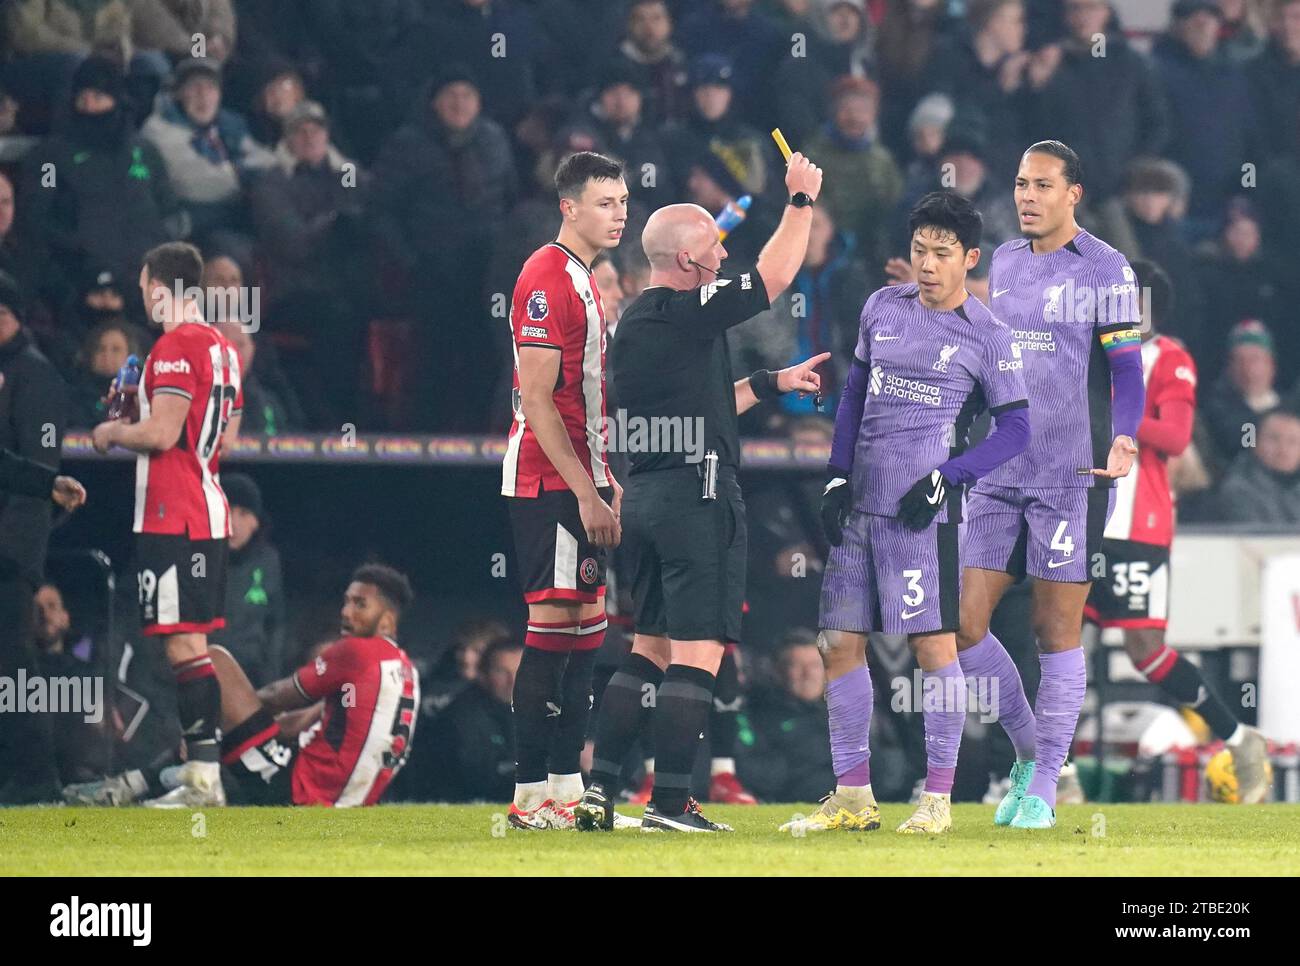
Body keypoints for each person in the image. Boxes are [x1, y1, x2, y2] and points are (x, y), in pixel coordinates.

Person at [576, 151, 826, 833]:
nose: (723, 252)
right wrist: (799, 201)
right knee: (699, 654)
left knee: (649, 649)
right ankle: (670, 805)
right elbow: (774, 276)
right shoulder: (686, 313)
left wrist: (773, 382)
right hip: (698, 498)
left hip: (649, 497)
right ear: (688, 262)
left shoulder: (638, 326)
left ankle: (597, 794)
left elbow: (710, 407)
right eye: (714, 245)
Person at [785, 190, 1030, 836]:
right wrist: (837, 475)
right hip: (860, 505)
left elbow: (1016, 431)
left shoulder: (988, 335)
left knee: (934, 648)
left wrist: (949, 478)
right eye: (919, 250)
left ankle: (938, 799)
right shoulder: (880, 308)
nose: (926, 264)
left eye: (942, 254)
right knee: (838, 643)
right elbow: (854, 395)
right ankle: (853, 796)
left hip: (924, 516)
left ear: (968, 258)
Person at [956, 141, 1146, 830]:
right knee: (962, 623)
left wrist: (1126, 434)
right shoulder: (1004, 262)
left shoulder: (1107, 268)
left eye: (1042, 185)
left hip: (1075, 473)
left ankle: (1041, 787)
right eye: (1019, 184)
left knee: (1053, 628)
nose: (1026, 196)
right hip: (1003, 468)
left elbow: (1126, 369)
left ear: (1074, 194)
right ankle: (1035, 755)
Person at [1083, 259, 1273, 804]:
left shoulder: (1170, 358)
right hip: (1083, 514)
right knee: (1057, 636)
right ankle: (1055, 774)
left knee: (1145, 652)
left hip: (1138, 524)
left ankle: (1240, 740)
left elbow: (1175, 435)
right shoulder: (1087, 355)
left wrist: (1116, 409)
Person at [90, 242, 243, 807]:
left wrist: (113, 431)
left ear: (158, 286)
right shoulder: (222, 348)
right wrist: (146, 415)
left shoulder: (176, 345)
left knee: (184, 649)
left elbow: (161, 435)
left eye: (143, 288)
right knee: (193, 644)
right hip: (206, 509)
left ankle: (204, 778)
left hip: (173, 514)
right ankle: (201, 772)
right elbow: (225, 432)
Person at [65, 564, 419, 808]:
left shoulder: (358, 652)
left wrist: (217, 715)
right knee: (207, 738)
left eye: (360, 604)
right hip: (344, 800)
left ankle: (148, 785)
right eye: (346, 601)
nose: (346, 611)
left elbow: (281, 696)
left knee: (213, 664)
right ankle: (161, 782)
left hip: (297, 793)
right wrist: (212, 738)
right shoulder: (404, 671)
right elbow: (302, 721)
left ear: (386, 620)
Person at [501, 151, 627, 830]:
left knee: (585, 631)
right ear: (568, 207)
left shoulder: (581, 278)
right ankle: (527, 797)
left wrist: (605, 482)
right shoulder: (546, 276)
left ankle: (564, 787)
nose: (619, 214)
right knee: (552, 628)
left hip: (581, 479)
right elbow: (540, 401)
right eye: (604, 202)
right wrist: (584, 491)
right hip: (547, 479)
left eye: (624, 202)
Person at [0, 270, 74, 803]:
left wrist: (21, 556)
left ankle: (35, 779)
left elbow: (24, 467)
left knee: (10, 664)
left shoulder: (34, 376)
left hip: (7, 552)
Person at [208, 473, 285, 688]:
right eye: (228, 511)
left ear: (255, 522)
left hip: (250, 681)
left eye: (243, 513)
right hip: (200, 678)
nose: (233, 522)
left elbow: (276, 625)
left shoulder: (269, 561)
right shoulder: (194, 558)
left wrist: (271, 685)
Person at [1214, 408, 1300, 524]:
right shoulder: (1239, 492)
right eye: (1274, 439)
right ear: (1254, 442)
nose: (1283, 450)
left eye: (1292, 441)